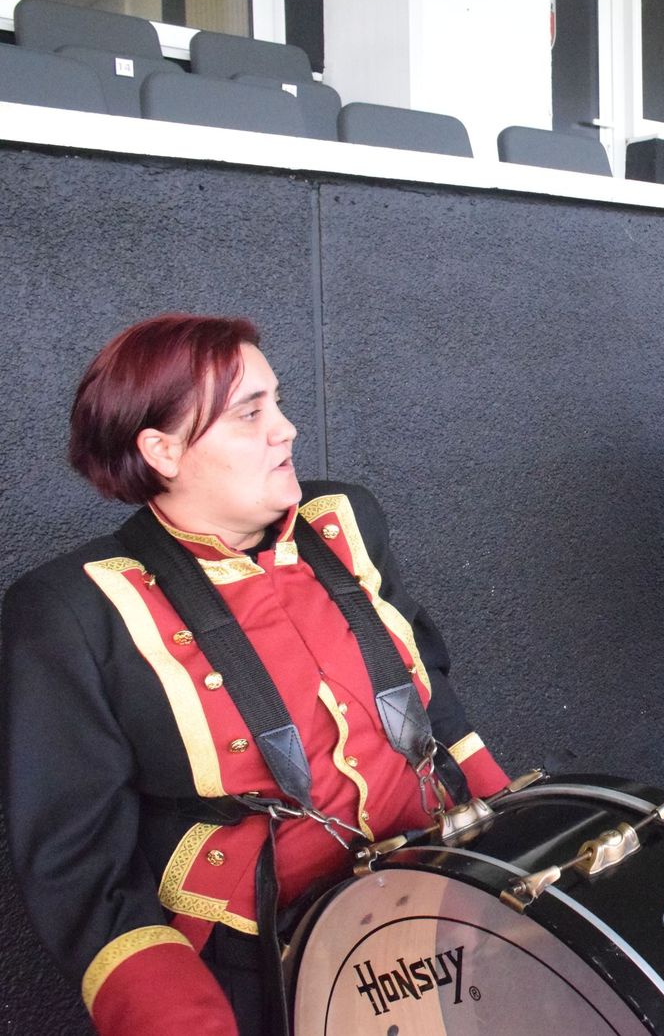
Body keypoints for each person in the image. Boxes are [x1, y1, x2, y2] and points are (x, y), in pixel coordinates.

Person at [0, 315, 511, 1036]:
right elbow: (82, 871)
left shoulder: (344, 522)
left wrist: (517, 840)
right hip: (255, 968)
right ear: (163, 450)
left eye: (277, 401)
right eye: (251, 414)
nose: (287, 429)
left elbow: (432, 700)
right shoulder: (74, 608)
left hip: (436, 904)